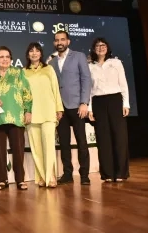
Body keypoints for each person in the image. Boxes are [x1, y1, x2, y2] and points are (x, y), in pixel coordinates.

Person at [0, 46, 32, 191]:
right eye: (1, 57)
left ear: (11, 59)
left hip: (16, 117)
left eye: (7, 56)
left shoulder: (19, 73)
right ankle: (1, 180)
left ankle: (20, 179)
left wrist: (28, 111)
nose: (5, 59)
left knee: (18, 150)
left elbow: (27, 93)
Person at [49, 30, 92, 185]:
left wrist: (84, 102)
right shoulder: (52, 62)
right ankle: (67, 174)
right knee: (64, 143)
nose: (59, 42)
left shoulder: (79, 56)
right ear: (54, 43)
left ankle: (84, 175)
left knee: (82, 142)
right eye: (57, 40)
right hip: (60, 109)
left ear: (68, 41)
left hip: (77, 106)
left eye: (62, 39)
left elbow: (86, 79)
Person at [88, 37, 130, 182]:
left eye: (103, 45)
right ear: (94, 49)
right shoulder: (90, 66)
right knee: (103, 138)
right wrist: (90, 108)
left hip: (115, 100)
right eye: (97, 46)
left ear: (107, 47)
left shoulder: (116, 63)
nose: (100, 47)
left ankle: (121, 173)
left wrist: (126, 104)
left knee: (119, 137)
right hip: (98, 102)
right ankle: (107, 173)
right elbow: (89, 90)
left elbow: (123, 84)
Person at [24, 42, 63, 188]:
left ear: (41, 53)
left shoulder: (49, 69)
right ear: (28, 54)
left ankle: (51, 176)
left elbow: (55, 89)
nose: (34, 53)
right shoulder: (24, 72)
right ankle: (40, 176)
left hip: (48, 111)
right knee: (36, 148)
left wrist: (59, 108)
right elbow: (23, 95)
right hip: (32, 114)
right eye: (31, 51)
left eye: (37, 51)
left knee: (49, 146)